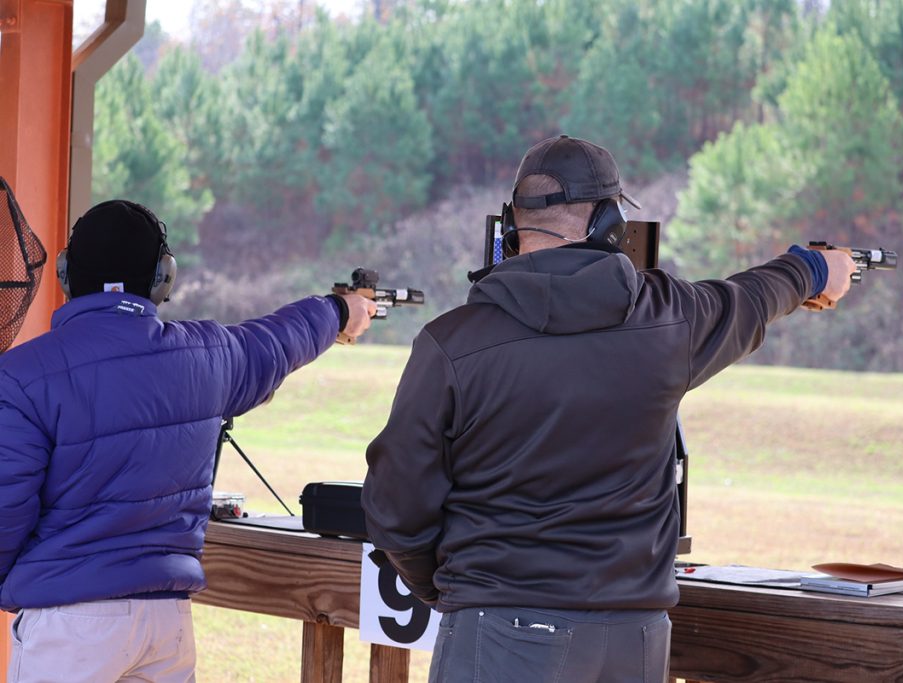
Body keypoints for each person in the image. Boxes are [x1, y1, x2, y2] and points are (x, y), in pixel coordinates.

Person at [361, 134, 857, 682]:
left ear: (511, 223)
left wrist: (456, 587)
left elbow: (395, 506)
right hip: (634, 637)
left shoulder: (451, 344)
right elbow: (755, 296)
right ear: (610, 222)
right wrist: (813, 269)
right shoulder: (671, 320)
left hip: (500, 629)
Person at [0, 199, 376, 683]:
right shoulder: (209, 355)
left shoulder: (21, 375)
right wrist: (338, 310)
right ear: (163, 277)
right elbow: (281, 340)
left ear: (67, 273)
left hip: (67, 628)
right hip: (165, 626)